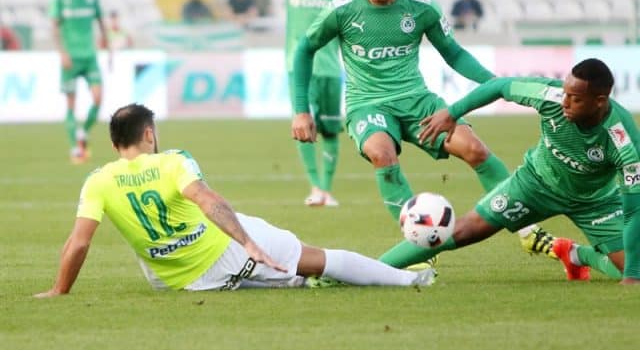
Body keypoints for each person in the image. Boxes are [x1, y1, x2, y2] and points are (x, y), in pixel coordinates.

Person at [33, 103, 436, 297]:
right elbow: (208, 201)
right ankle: (409, 279)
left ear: (114, 144)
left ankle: (289, 279)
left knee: (284, 276)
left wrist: (58, 290)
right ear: (149, 135)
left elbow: (78, 243)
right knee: (317, 257)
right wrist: (246, 242)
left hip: (176, 281)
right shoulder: (173, 161)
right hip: (222, 253)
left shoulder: (97, 181)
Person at [291, 0, 511, 268]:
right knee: (382, 153)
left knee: (475, 149)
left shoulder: (421, 7)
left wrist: (496, 84)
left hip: (417, 100)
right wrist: (301, 111)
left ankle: (529, 230)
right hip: (367, 104)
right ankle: (418, 247)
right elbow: (304, 50)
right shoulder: (343, 10)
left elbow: (454, 53)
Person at [415, 58, 640, 284]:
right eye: (565, 93)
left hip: (595, 201)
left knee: (635, 266)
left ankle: (574, 254)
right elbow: (499, 86)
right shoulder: (550, 95)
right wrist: (451, 113)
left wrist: (632, 276)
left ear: (599, 101)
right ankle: (391, 270)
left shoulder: (624, 141)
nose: (565, 102)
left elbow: (634, 211)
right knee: (465, 230)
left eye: (576, 98)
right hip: (537, 184)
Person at [243, 0, 356, 206]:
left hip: (330, 69)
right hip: (299, 70)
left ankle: (326, 191)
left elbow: (367, 2)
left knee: (330, 131)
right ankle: (315, 187)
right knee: (303, 124)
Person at [50, 0, 111, 164]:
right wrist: (62, 53)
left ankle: (83, 131)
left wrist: (107, 45)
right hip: (70, 58)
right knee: (71, 104)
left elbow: (101, 22)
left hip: (89, 56)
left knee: (98, 98)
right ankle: (75, 147)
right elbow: (54, 27)